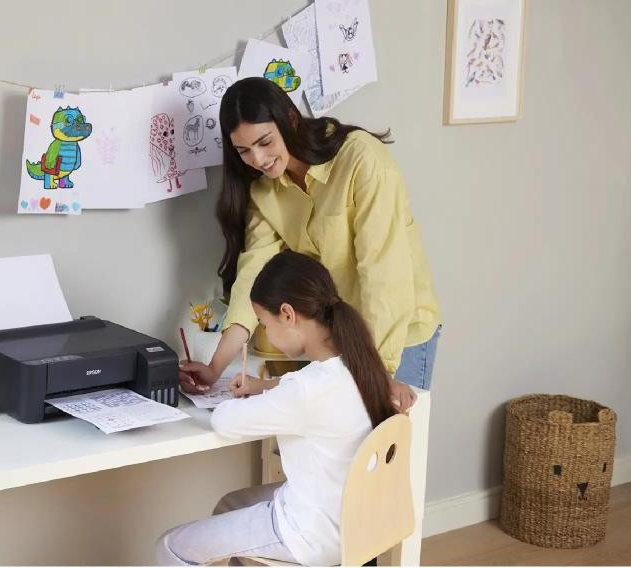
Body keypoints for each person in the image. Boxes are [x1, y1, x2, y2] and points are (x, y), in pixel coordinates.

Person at [180, 77, 442, 410]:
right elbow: (253, 278)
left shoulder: (362, 160)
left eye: (265, 142)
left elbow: (384, 274)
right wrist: (215, 368)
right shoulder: (264, 191)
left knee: (388, 442)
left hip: (397, 339)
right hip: (342, 342)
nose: (258, 159)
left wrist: (379, 372)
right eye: (244, 151)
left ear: (290, 120)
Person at [157, 251, 397, 565]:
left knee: (171, 545)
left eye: (263, 324)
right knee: (231, 504)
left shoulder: (304, 389)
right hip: (353, 521)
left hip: (311, 534)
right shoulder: (360, 365)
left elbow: (224, 422)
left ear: (287, 314)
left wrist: (254, 396)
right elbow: (312, 397)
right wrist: (265, 387)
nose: (265, 333)